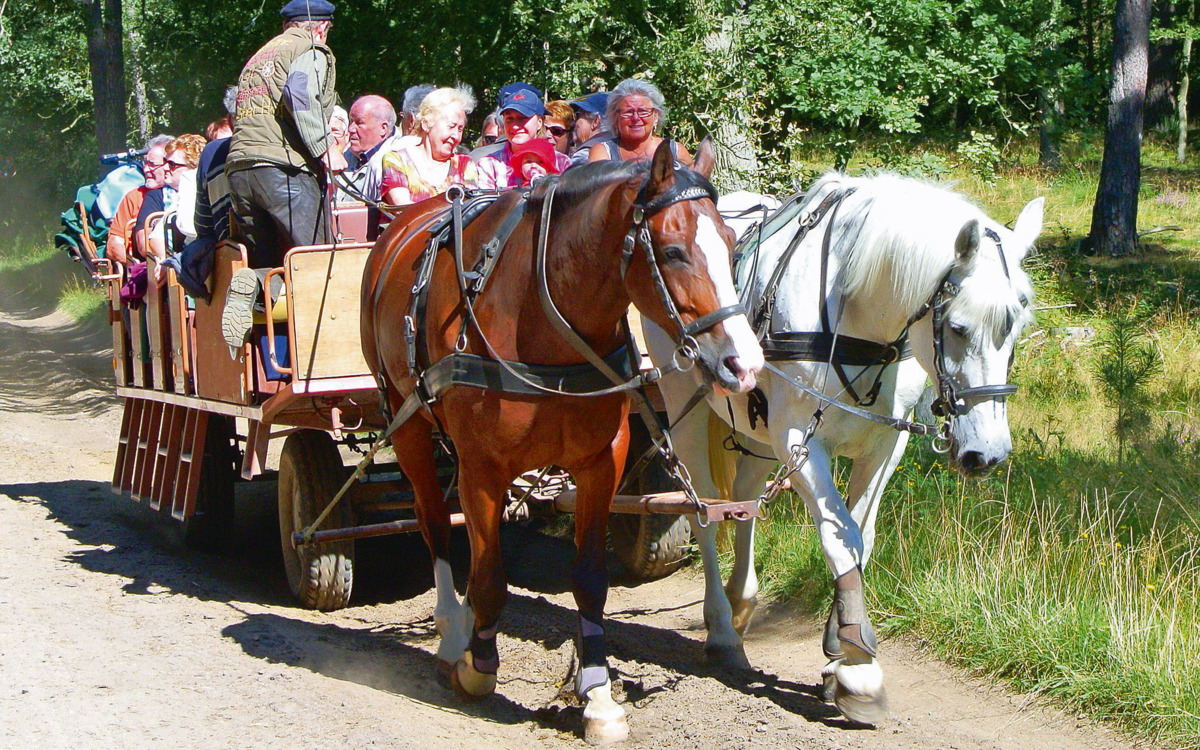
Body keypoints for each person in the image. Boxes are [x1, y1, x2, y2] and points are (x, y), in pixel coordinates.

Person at [223, 0, 345, 350]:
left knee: (274, 264)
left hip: (241, 171)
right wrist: (325, 147)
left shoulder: (261, 56)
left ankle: (251, 279)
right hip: (283, 170)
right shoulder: (310, 47)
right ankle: (325, 356)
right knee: (317, 261)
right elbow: (301, 93)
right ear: (321, 26)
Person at [380, 86, 477, 206]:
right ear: (426, 124)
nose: (456, 136)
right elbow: (403, 209)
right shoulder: (396, 161)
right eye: (451, 127)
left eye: (460, 129)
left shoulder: (464, 165)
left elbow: (472, 209)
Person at [475, 83, 570, 191]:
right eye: (509, 119)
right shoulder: (489, 164)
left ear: (539, 122)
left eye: (523, 118)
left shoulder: (562, 163)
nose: (515, 126)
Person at [588, 79, 692, 168]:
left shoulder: (676, 152)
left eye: (643, 111)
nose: (636, 118)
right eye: (628, 112)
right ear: (615, 118)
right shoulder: (603, 153)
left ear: (655, 116)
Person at [106, 134, 173, 265]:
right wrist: (136, 268)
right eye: (145, 163)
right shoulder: (134, 196)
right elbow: (114, 244)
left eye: (152, 165)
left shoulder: (184, 193)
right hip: (142, 265)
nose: (146, 169)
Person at [148, 134, 206, 259]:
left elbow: (188, 227)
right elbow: (154, 237)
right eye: (165, 162)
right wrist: (167, 263)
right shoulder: (175, 198)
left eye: (172, 164)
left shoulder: (202, 187)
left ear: (193, 168)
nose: (165, 168)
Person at [339, 93, 400, 202]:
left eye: (359, 122)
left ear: (383, 128)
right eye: (351, 121)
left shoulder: (398, 161)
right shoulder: (344, 157)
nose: (350, 129)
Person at [567, 92, 610, 169]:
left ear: (595, 121)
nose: (572, 123)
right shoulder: (620, 149)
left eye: (578, 116)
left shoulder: (584, 156)